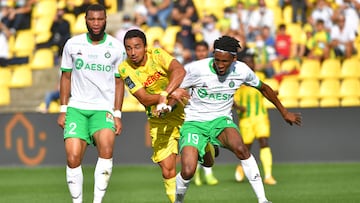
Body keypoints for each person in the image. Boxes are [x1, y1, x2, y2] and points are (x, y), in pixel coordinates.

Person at [174, 36, 302, 203]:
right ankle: (178, 201)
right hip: (194, 123)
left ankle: (263, 199)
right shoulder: (196, 69)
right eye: (217, 59)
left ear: (234, 59)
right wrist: (167, 104)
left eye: (224, 61)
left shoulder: (242, 70)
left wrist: (284, 112)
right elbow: (175, 89)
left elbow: (264, 88)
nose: (220, 64)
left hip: (221, 121)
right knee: (188, 171)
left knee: (241, 148)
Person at [56, 4, 126, 203]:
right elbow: (66, 77)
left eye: (100, 19)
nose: (96, 23)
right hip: (77, 108)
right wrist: (63, 109)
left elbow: (119, 82)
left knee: (106, 150)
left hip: (103, 109)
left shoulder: (116, 47)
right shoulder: (72, 44)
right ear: (85, 20)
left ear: (106, 20)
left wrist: (118, 113)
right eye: (92, 19)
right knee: (73, 158)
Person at [118, 29, 188, 203]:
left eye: (137, 47)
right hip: (159, 119)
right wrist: (167, 96)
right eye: (128, 48)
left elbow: (179, 71)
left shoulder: (157, 54)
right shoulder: (124, 68)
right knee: (167, 169)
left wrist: (166, 93)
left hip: (184, 112)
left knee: (204, 161)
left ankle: (209, 148)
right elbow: (143, 98)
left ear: (145, 47)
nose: (132, 52)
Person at [233, 51, 277, 186]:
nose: (251, 63)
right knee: (246, 148)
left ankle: (268, 175)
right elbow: (232, 101)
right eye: (248, 61)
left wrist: (273, 93)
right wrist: (239, 108)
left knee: (264, 142)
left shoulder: (260, 76)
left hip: (260, 116)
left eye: (252, 61)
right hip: (245, 119)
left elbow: (265, 90)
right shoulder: (237, 80)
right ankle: (241, 167)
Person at [192, 40, 219, 186]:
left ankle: (207, 173)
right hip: (195, 113)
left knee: (210, 145)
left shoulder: (214, 69)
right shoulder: (192, 69)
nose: (201, 53)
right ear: (195, 52)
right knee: (197, 145)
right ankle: (197, 174)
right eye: (198, 51)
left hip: (211, 112)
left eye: (203, 50)